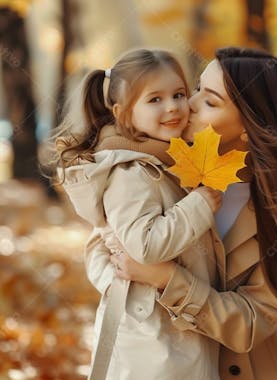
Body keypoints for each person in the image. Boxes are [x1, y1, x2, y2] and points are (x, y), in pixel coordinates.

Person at [100, 47, 277, 380]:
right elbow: (109, 242)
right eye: (195, 89)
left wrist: (165, 279)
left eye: (210, 101)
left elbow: (250, 323)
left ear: (248, 127)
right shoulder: (161, 171)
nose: (187, 104)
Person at [54, 48, 224, 380]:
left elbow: (106, 243)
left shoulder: (163, 160)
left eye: (178, 94)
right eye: (154, 99)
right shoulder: (131, 172)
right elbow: (143, 247)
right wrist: (200, 205)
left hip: (171, 324)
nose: (173, 106)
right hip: (153, 336)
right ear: (123, 113)